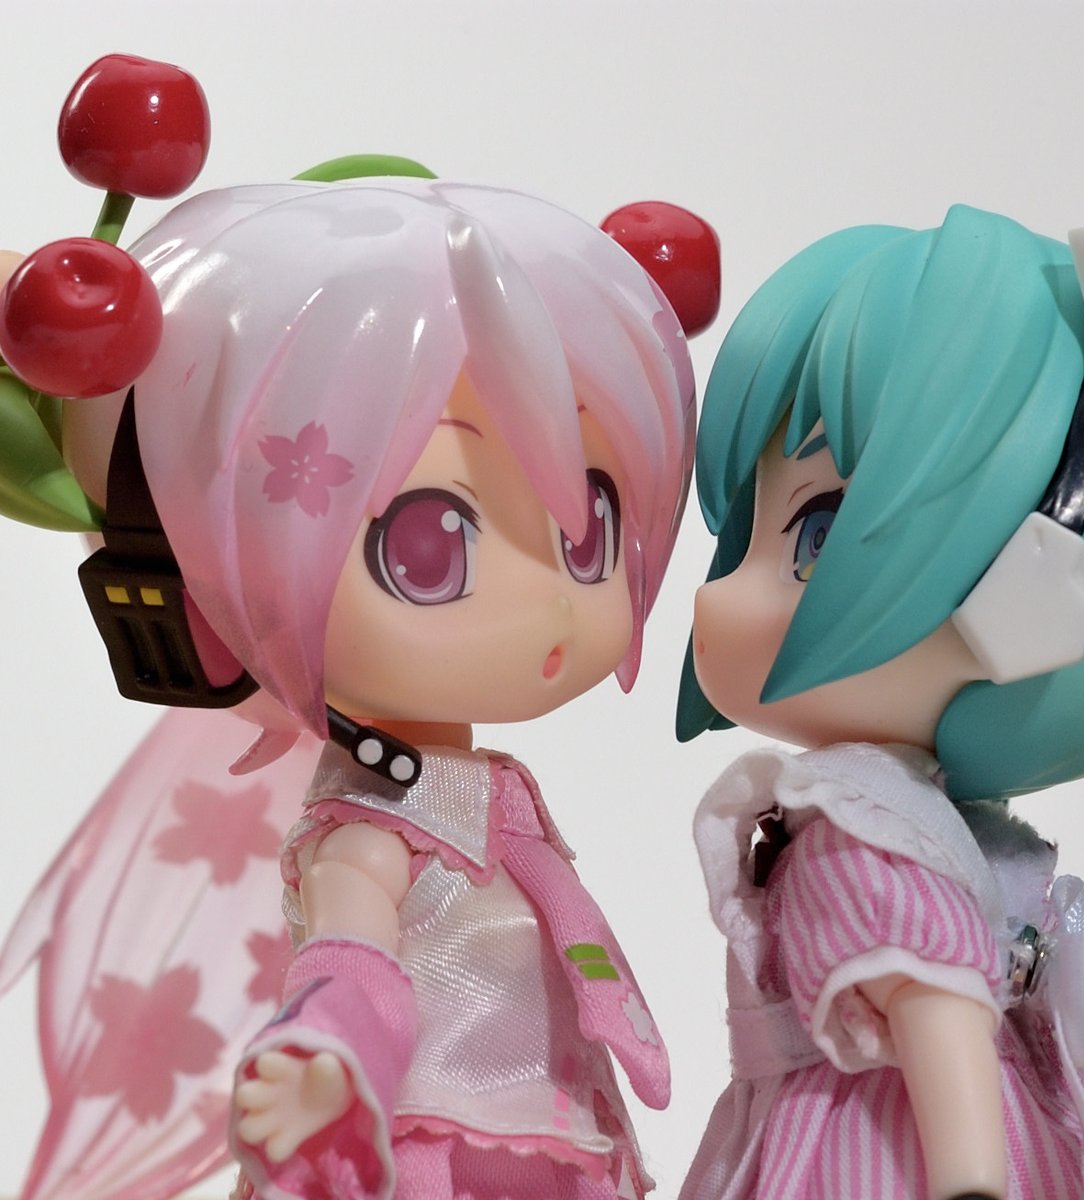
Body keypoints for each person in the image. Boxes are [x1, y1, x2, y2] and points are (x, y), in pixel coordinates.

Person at [1, 175, 713, 1200]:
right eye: (429, 545)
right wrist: (324, 1064)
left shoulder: (490, 797)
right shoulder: (368, 833)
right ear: (206, 589)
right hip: (429, 1152)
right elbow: (348, 967)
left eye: (587, 526)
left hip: (557, 1137)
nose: (552, 602)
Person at [673, 205, 1084, 1199]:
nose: (718, 597)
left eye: (815, 535)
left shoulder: (865, 828)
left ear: (1038, 571)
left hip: (887, 1152)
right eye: (742, 538)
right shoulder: (888, 818)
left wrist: (968, 1181)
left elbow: (937, 1009)